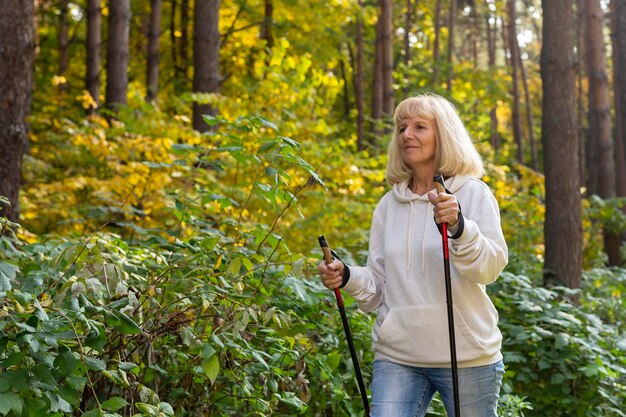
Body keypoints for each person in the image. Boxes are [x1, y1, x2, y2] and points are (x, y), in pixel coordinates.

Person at [318, 93, 508, 417]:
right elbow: (379, 285)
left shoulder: (473, 193)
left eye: (420, 126)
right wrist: (346, 275)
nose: (407, 135)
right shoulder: (388, 205)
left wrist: (460, 227)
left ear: (443, 135)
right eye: (401, 127)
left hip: (466, 355)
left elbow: (490, 268)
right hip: (399, 355)